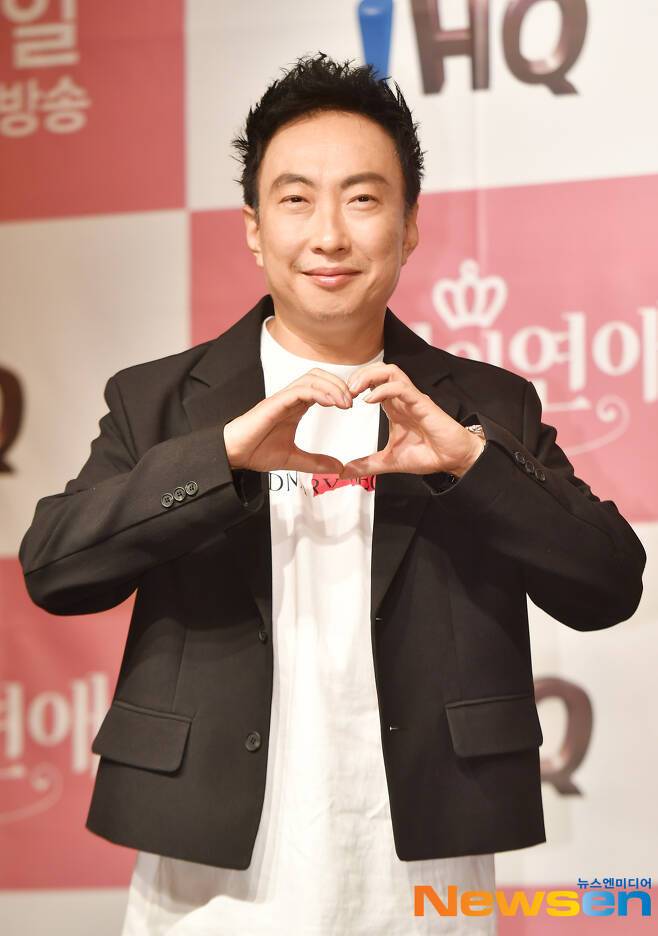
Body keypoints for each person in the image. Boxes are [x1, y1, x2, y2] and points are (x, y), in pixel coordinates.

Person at [19, 53, 645, 935]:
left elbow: (609, 584)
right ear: (253, 227)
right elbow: (54, 568)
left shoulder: (485, 405)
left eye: (362, 198)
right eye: (295, 199)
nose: (329, 235)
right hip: (209, 871)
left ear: (410, 224)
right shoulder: (160, 400)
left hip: (423, 869)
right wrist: (220, 459)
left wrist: (472, 467)